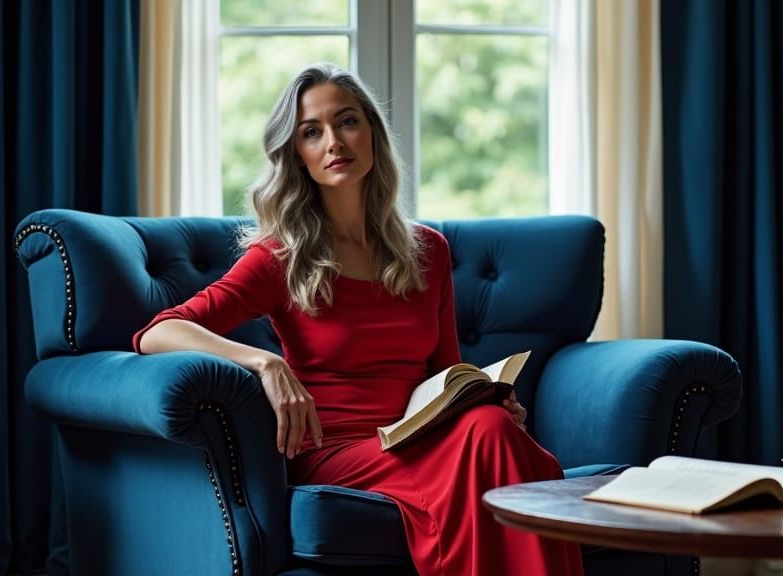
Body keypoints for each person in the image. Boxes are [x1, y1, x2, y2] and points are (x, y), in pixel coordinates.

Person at [133, 62, 582, 576]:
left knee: (490, 425)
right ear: (296, 156)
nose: (333, 141)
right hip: (339, 448)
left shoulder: (428, 251)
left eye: (346, 121)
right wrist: (263, 362)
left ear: (371, 131)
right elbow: (158, 332)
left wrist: (490, 397)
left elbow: (447, 375)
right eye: (311, 132)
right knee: (491, 438)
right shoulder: (281, 255)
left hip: (427, 438)